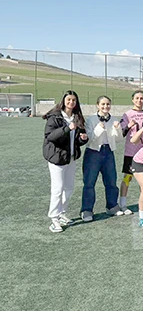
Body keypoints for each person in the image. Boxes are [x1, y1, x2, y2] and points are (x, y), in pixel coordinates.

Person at [43, 90, 89, 232]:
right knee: (58, 189)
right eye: (68, 99)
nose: (71, 102)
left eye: (73, 100)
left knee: (69, 188)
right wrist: (67, 128)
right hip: (57, 158)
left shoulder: (77, 117)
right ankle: (54, 218)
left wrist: (82, 139)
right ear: (63, 101)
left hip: (71, 158)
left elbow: (77, 141)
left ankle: (62, 213)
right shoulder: (55, 117)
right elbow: (50, 136)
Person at [81, 96, 124, 222]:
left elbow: (119, 139)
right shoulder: (91, 119)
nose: (106, 106)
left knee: (111, 181)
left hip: (108, 152)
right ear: (98, 105)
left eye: (108, 104)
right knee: (89, 183)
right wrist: (99, 128)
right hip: (93, 153)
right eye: (103, 104)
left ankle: (112, 206)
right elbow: (89, 139)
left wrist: (118, 128)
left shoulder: (114, 119)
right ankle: (86, 210)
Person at [119, 90, 143, 215]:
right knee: (127, 178)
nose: (139, 100)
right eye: (137, 98)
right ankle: (122, 204)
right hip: (131, 152)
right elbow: (121, 133)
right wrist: (128, 126)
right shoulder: (127, 114)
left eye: (142, 98)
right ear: (132, 99)